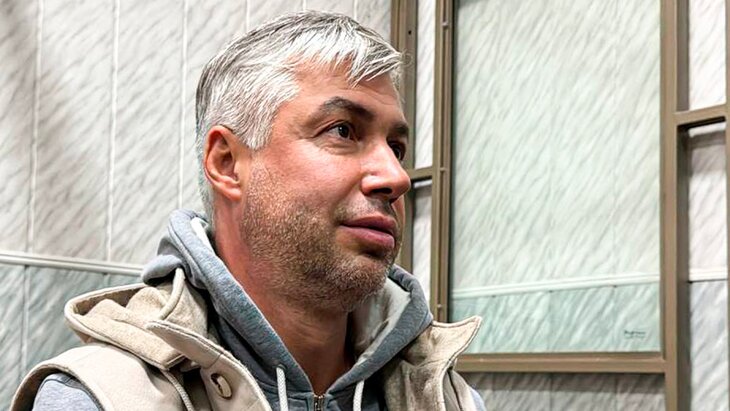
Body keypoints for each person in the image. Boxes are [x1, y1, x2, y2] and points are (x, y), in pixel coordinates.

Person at [12, 11, 484, 411]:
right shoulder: (104, 397)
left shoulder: (445, 397)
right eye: (342, 130)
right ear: (227, 164)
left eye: (396, 148)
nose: (396, 176)